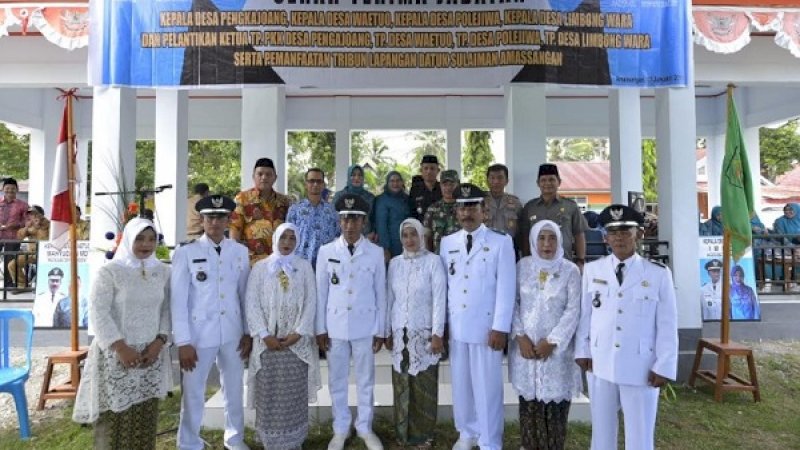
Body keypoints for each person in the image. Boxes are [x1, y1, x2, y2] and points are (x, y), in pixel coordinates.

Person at [575, 204, 678, 450]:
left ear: (639, 234)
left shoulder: (658, 274)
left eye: (626, 231)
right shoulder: (592, 270)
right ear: (605, 237)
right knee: (601, 432)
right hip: (601, 361)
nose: (619, 237)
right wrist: (582, 350)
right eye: (613, 232)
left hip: (640, 364)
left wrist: (664, 365)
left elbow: (667, 323)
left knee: (640, 432)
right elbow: (585, 315)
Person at [72, 218, 172, 449]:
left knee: (145, 417)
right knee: (115, 418)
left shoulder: (163, 271)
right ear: (127, 239)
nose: (146, 245)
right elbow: (98, 312)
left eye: (151, 239)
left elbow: (167, 309)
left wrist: (160, 341)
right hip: (117, 355)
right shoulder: (110, 272)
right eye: (139, 238)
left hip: (150, 354)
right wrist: (121, 348)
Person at [171, 194, 252, 450]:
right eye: (210, 217)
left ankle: (235, 439)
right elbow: (178, 301)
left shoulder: (240, 252)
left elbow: (244, 295)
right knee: (194, 392)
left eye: (220, 217)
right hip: (198, 335)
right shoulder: (186, 253)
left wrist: (248, 332)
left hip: (233, 332)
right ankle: (189, 443)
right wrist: (182, 341)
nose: (215, 222)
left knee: (234, 389)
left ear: (229, 220)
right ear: (202, 220)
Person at [439, 183, 515, 450]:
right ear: (456, 212)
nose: (467, 212)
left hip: (486, 329)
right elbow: (445, 289)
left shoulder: (500, 241)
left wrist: (500, 327)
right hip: (459, 327)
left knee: (488, 388)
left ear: (483, 210)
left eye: (472, 206)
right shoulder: (447, 243)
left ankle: (489, 439)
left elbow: (507, 288)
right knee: (461, 385)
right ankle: (467, 433)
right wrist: (444, 327)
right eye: (462, 207)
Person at [315, 193, 387, 450]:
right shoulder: (326, 252)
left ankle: (365, 427)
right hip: (335, 326)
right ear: (339, 221)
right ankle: (341, 428)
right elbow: (321, 292)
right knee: (337, 379)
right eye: (345, 219)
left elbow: (381, 293)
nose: (349, 225)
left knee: (366, 378)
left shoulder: (376, 253)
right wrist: (320, 328)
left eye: (355, 219)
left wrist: (381, 329)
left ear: (363, 222)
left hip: (365, 325)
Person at [246, 223, 321, 449]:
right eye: (283, 238)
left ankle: (293, 440)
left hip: (295, 346)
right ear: (275, 240)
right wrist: (264, 334)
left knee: (292, 396)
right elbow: (251, 303)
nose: (287, 243)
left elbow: (311, 302)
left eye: (291, 238)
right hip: (267, 345)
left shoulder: (304, 267)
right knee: (269, 395)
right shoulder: (260, 268)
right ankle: (271, 441)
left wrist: (298, 333)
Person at [510, 220, 582, 450]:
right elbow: (511, 302)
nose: (546, 244)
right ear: (533, 240)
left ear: (560, 241)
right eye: (541, 238)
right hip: (526, 348)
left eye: (552, 238)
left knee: (555, 407)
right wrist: (520, 336)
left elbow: (574, 310)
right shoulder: (522, 266)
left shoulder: (570, 271)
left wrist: (552, 341)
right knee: (529, 403)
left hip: (556, 352)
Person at [386, 218, 446, 447]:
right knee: (401, 385)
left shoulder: (433, 262)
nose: (409, 240)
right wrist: (387, 331)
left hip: (425, 334)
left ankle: (423, 435)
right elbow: (389, 299)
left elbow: (439, 299)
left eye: (414, 235)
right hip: (400, 332)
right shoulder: (394, 263)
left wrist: (438, 332)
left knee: (423, 386)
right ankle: (402, 434)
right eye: (405, 235)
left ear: (422, 236)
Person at [518, 164, 588, 267]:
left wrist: (580, 261)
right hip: (536, 265)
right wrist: (526, 260)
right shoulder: (529, 207)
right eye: (543, 180)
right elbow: (525, 237)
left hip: (564, 264)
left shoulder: (570, 206)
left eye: (551, 180)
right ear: (538, 183)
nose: (547, 183)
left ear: (559, 182)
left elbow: (579, 235)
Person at [230, 157, 292, 264]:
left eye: (268, 174)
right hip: (251, 262)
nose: (264, 177)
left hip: (279, 261)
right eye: (260, 174)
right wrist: (235, 258)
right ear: (253, 176)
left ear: (275, 177)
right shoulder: (242, 198)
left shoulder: (285, 201)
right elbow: (235, 229)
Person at [286, 168, 341, 269]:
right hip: (300, 263)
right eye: (312, 181)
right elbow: (288, 238)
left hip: (326, 264)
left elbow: (338, 238)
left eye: (319, 181)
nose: (315, 184)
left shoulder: (332, 211)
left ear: (323, 185)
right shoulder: (295, 210)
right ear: (306, 184)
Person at [8, 205, 49, 288]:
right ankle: (22, 286)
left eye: (35, 213)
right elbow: (19, 237)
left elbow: (45, 237)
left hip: (46, 254)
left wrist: (39, 227)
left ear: (41, 214)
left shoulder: (48, 224)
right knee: (12, 264)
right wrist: (26, 228)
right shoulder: (29, 224)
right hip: (31, 254)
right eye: (30, 214)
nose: (32, 216)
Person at [374, 171, 411, 262]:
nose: (395, 183)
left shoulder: (406, 199)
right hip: (391, 245)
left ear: (402, 182)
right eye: (392, 181)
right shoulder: (382, 200)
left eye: (398, 180)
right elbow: (381, 225)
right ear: (387, 183)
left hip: (407, 242)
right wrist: (385, 248)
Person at [483, 164, 523, 247]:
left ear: (507, 181)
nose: (496, 181)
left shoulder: (515, 203)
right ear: (487, 181)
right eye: (492, 178)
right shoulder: (480, 202)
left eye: (500, 178)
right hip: (484, 246)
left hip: (509, 246)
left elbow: (521, 229)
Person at [332, 164, 376, 238]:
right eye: (353, 175)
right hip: (344, 238)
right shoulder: (339, 196)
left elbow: (375, 219)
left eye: (360, 175)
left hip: (366, 238)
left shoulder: (370, 197)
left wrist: (373, 233)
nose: (357, 178)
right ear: (349, 177)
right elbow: (333, 218)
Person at [422, 169, 460, 253]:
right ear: (440, 186)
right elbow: (426, 237)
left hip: (461, 257)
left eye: (452, 184)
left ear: (458, 184)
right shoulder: (432, 209)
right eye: (445, 184)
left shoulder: (464, 207)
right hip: (439, 258)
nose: (448, 188)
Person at [0, 178, 28, 287]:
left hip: (13, 237)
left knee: (9, 260)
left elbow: (28, 221)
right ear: (3, 189)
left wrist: (17, 225)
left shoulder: (23, 205)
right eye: (7, 189)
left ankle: (8, 284)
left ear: (17, 190)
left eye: (12, 189)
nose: (10, 192)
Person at [408, 155, 442, 222]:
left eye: (432, 168)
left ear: (438, 170)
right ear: (421, 170)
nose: (429, 171)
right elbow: (412, 213)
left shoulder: (443, 188)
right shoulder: (415, 190)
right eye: (426, 168)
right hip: (421, 229)